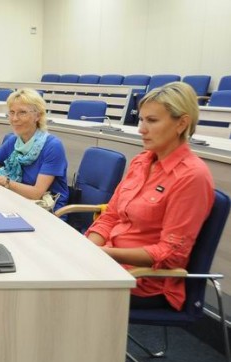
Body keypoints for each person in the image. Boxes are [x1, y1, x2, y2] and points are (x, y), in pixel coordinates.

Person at [85, 81, 214, 311]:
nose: (141, 129)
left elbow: (170, 254)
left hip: (143, 279)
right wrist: (87, 248)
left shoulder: (192, 176)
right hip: (109, 263)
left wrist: (104, 254)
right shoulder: (141, 161)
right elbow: (111, 215)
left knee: (54, 293)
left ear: (181, 123)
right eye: (141, 120)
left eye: (152, 121)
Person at [0, 88, 69, 211]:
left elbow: (36, 193)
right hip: (16, 201)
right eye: (12, 112)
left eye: (22, 112)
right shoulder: (14, 141)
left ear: (38, 116)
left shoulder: (53, 146)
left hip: (45, 210)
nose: (14, 118)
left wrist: (0, 180)